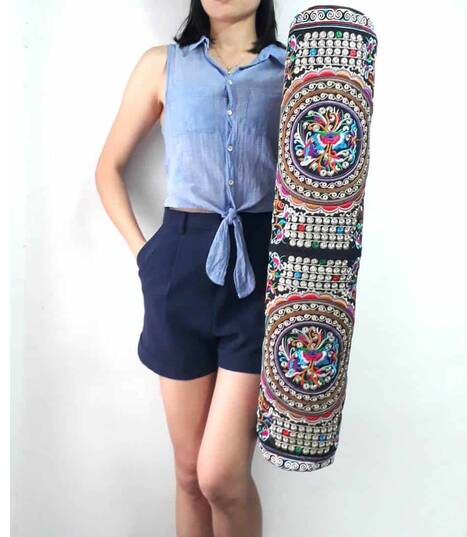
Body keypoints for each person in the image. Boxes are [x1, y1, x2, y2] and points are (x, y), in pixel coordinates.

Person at [95, 1, 285, 535]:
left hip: (260, 273)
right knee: (187, 474)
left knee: (221, 476)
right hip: (178, 268)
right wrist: (145, 254)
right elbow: (109, 168)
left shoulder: (291, 70)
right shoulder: (163, 65)